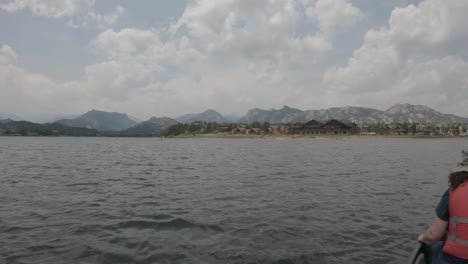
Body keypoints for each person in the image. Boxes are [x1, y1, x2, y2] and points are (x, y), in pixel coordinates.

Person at [418, 148, 468, 263]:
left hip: (456, 259)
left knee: (432, 250)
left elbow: (433, 236)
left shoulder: (453, 191)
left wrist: (423, 238)